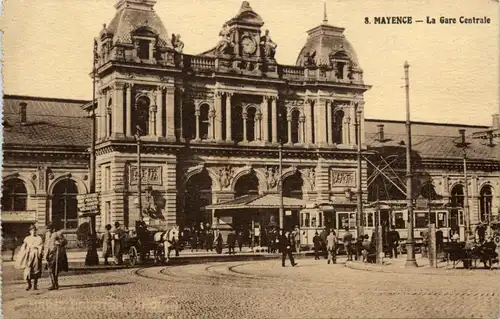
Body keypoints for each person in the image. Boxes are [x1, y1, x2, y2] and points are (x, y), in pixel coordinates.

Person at [15, 224, 43, 291]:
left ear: (36, 231)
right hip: (28, 255)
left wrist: (39, 253)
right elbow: (23, 247)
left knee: (36, 269)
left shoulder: (39, 238)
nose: (33, 232)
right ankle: (29, 285)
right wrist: (22, 255)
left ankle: (35, 286)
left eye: (35, 230)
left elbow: (41, 247)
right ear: (30, 231)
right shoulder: (27, 238)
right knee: (28, 270)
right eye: (32, 230)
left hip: (36, 254)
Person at [45, 223, 68, 290]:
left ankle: (55, 284)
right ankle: (54, 283)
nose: (49, 231)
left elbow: (65, 241)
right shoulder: (47, 235)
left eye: (50, 229)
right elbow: (46, 244)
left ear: (53, 229)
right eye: (48, 229)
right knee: (50, 270)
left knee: (53, 269)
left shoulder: (57, 234)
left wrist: (58, 242)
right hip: (49, 254)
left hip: (55, 254)